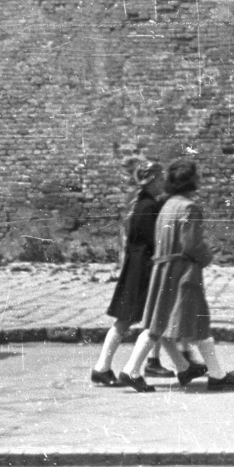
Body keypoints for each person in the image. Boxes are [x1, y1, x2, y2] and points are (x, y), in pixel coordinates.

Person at [118, 159, 234, 391]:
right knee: (199, 320)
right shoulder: (189, 208)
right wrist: (207, 256)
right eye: (197, 177)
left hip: (163, 270)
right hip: (182, 272)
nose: (200, 180)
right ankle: (215, 376)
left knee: (157, 323)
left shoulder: (167, 205)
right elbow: (191, 245)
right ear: (190, 182)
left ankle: (132, 370)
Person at [91, 161, 201, 385]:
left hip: (136, 267)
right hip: (143, 270)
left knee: (154, 321)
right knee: (132, 322)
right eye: (159, 179)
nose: (162, 182)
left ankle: (183, 367)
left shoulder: (142, 203)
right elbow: (154, 242)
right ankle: (102, 368)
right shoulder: (148, 207)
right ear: (151, 181)